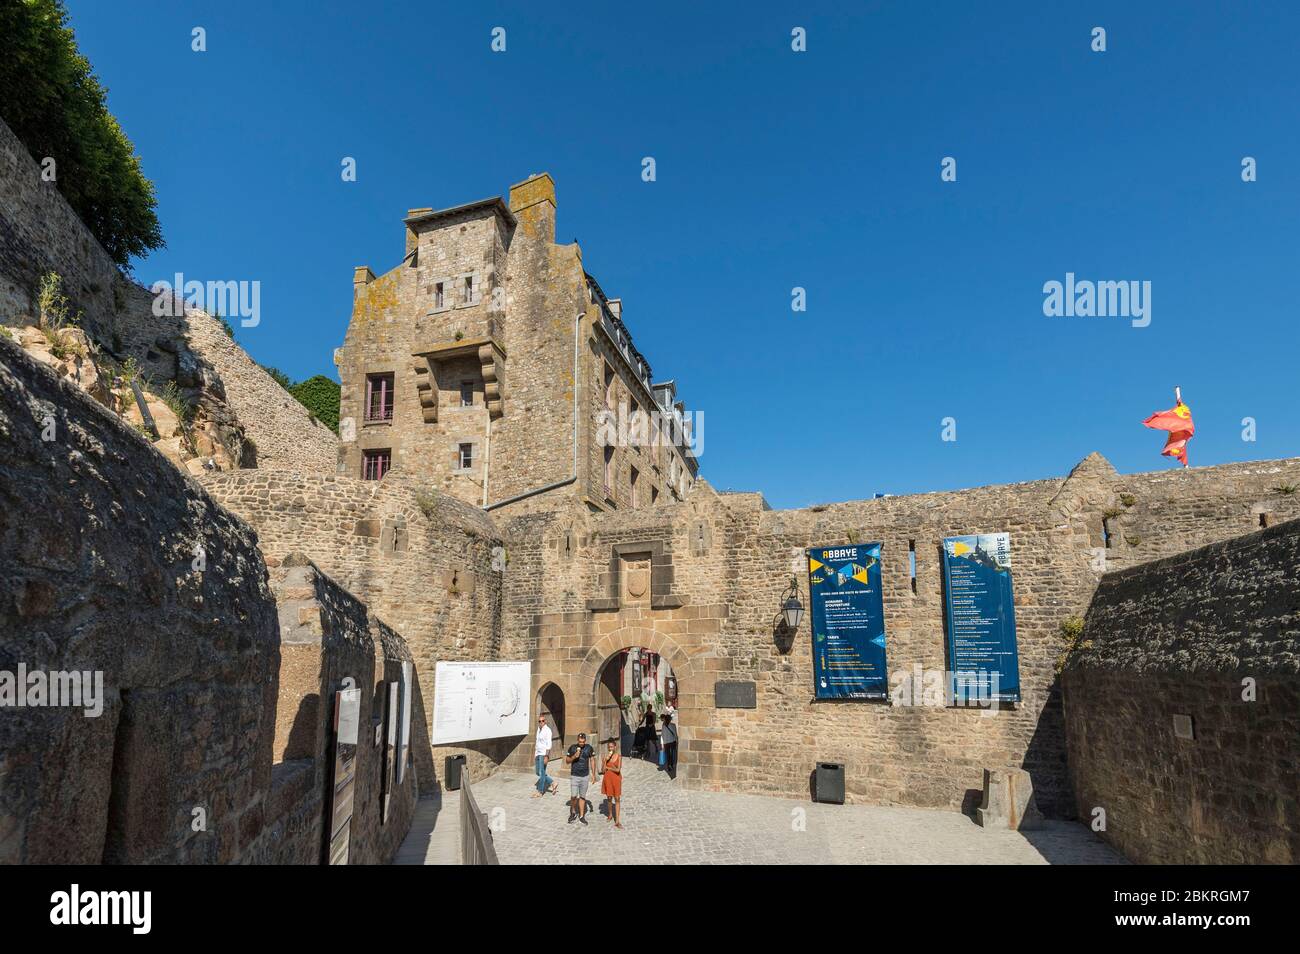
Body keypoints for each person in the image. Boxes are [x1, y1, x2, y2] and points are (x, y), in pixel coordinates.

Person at [565, 732, 596, 825]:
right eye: (580, 741)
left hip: (585, 776)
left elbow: (592, 760)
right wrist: (574, 756)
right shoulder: (572, 748)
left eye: (583, 742)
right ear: (577, 740)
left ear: (585, 741)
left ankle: (582, 816)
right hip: (575, 775)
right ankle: (573, 812)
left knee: (582, 796)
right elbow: (567, 761)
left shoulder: (589, 748)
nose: (581, 743)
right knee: (574, 796)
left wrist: (593, 774)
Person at [601, 739, 623, 829]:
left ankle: (617, 820)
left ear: (615, 747)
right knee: (609, 797)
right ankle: (610, 814)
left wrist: (609, 768)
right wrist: (605, 761)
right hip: (608, 778)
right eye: (609, 747)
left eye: (612, 747)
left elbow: (618, 770)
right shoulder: (605, 757)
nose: (610, 748)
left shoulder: (619, 756)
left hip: (616, 779)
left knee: (617, 798)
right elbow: (602, 770)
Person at [533, 715, 558, 797]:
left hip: (543, 754)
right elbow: (537, 742)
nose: (541, 723)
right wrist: (535, 754)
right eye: (539, 721)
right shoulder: (538, 729)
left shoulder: (548, 730)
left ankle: (540, 792)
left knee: (542, 772)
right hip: (538, 753)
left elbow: (549, 744)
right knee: (538, 772)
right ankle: (553, 782)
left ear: (545, 721)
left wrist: (546, 756)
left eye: (543, 721)